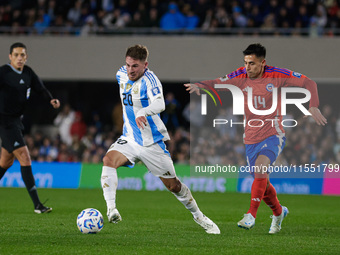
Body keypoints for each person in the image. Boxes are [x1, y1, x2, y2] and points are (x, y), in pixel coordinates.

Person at [184, 43, 327, 234]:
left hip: (273, 133)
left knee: (260, 169)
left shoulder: (277, 75)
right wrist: (200, 85)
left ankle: (251, 214)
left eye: (251, 63)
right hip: (250, 138)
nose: (247, 67)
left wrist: (313, 105)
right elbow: (218, 82)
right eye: (245, 63)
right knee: (263, 182)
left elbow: (309, 83)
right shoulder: (240, 75)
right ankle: (279, 213)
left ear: (262, 63)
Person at [101, 44, 220, 234]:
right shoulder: (121, 74)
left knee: (174, 186)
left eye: (135, 66)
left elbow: (160, 103)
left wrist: (143, 112)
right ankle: (111, 209)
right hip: (130, 138)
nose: (130, 70)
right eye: (128, 65)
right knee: (108, 160)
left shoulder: (151, 80)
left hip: (151, 143)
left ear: (145, 65)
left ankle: (199, 216)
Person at [0, 42, 60, 213]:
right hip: (5, 122)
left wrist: (50, 99)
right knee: (25, 157)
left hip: (17, 121)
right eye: (16, 55)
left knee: (5, 162)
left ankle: (38, 205)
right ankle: (37, 205)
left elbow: (40, 88)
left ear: (26, 57)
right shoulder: (3, 73)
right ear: (10, 57)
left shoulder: (27, 72)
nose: (20, 58)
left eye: (23, 55)